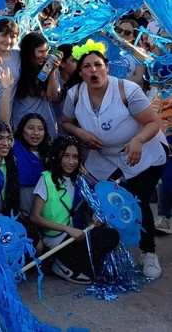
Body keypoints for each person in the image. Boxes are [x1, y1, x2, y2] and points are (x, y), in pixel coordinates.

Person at [60, 41, 166, 278]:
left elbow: (153, 122)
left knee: (136, 200)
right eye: (87, 66)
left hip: (143, 152)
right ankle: (102, 249)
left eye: (98, 65)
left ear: (107, 67)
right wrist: (80, 132)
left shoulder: (127, 90)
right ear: (80, 72)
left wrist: (138, 140)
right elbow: (66, 123)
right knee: (97, 200)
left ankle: (148, 252)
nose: (93, 71)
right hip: (104, 156)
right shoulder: (74, 94)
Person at [29, 135, 120, 284]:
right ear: (57, 156)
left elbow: (83, 211)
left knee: (111, 236)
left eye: (75, 157)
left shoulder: (79, 180)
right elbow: (34, 217)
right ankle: (58, 264)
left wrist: (93, 220)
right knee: (93, 272)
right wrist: (66, 229)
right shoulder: (46, 179)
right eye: (66, 156)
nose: (71, 162)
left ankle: (72, 264)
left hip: (78, 234)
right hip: (56, 239)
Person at [11, 32, 60, 137]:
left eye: (46, 51)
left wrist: (52, 73)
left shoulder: (46, 68)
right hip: (22, 123)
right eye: (41, 52)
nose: (45, 55)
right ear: (29, 52)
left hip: (43, 124)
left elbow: (52, 98)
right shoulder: (17, 66)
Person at [11, 113, 54, 217]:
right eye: (30, 128)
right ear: (21, 130)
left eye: (40, 129)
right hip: (21, 211)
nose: (36, 133)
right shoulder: (13, 147)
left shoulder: (52, 153)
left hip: (47, 212)